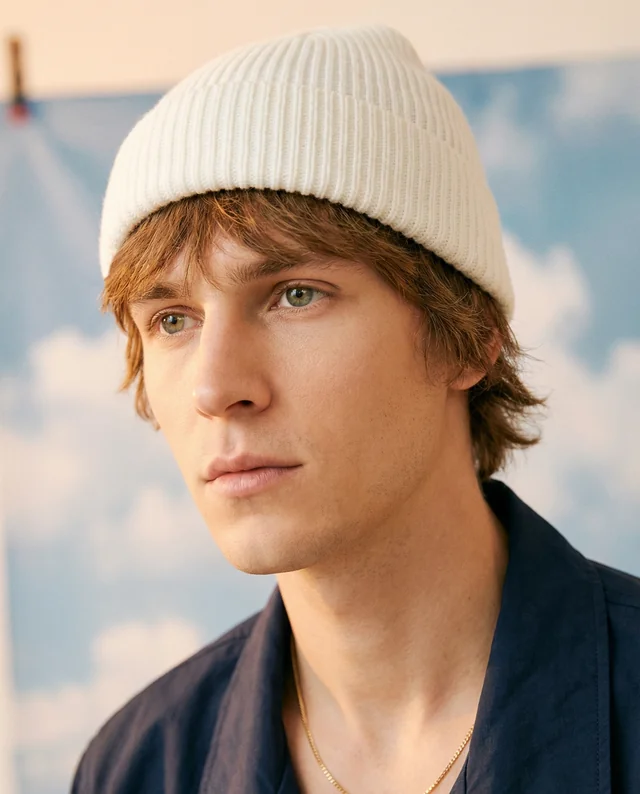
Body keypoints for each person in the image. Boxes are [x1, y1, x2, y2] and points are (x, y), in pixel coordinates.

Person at [71, 23, 640, 794]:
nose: (214, 389)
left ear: (468, 339)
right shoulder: (135, 768)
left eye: (294, 295)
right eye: (172, 320)